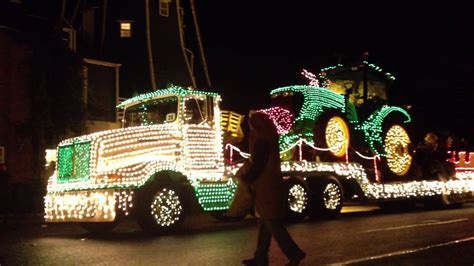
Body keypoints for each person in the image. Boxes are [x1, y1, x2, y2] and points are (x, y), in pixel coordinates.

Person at [240, 111, 305, 266]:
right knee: (264, 223)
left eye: (252, 123)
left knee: (272, 223)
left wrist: (247, 177)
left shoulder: (262, 140)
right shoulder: (270, 137)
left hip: (265, 186)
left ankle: (294, 253)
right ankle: (260, 257)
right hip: (271, 184)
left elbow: (258, 165)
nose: (250, 126)